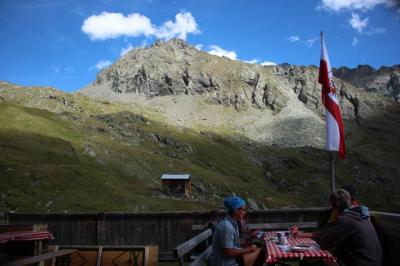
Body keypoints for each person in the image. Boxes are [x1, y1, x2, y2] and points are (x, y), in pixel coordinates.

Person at [317, 189, 382, 266]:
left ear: (334, 206)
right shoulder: (362, 215)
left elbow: (324, 242)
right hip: (374, 262)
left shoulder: (345, 219)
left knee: (324, 260)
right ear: (350, 201)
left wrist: (332, 219)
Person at [211, 196, 264, 266]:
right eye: (244, 210)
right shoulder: (226, 227)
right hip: (227, 263)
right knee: (262, 253)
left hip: (232, 259)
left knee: (261, 250)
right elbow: (228, 252)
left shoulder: (232, 223)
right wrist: (248, 249)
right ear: (236, 210)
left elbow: (234, 243)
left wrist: (250, 236)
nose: (245, 213)